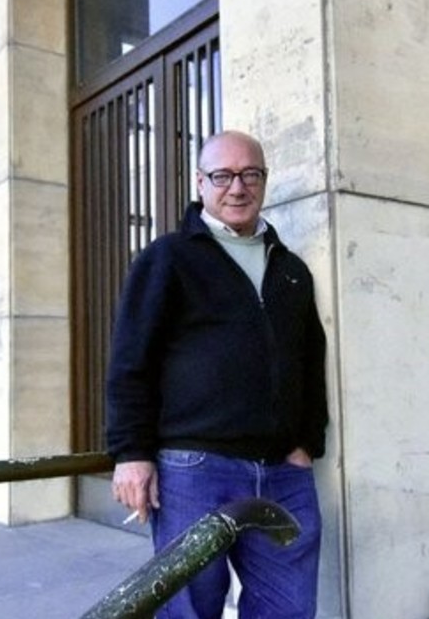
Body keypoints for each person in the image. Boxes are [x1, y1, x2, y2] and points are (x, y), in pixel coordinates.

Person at [106, 130, 329, 619]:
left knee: (289, 610)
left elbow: (311, 360)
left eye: (250, 174)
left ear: (264, 180)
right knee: (189, 610)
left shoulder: (291, 269)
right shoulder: (168, 258)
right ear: (200, 182)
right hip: (195, 471)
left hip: (283, 474)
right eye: (223, 176)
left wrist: (306, 443)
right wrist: (131, 453)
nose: (238, 187)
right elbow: (130, 361)